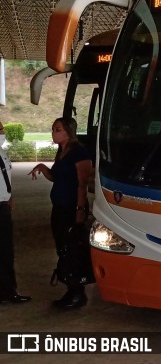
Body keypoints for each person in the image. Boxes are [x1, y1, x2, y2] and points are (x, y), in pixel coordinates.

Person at [29, 117, 92, 309]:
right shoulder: (62, 152)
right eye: (53, 129)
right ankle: (70, 289)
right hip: (60, 207)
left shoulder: (79, 152)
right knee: (62, 247)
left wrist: (80, 211)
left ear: (68, 132)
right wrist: (43, 168)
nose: (53, 132)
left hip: (72, 208)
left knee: (72, 248)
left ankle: (77, 292)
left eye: (57, 129)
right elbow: (57, 177)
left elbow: (82, 184)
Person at [0, 121, 31, 304]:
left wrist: (8, 196)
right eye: (0, 129)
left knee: (5, 252)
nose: (2, 132)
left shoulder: (2, 153)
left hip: (3, 206)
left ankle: (7, 291)